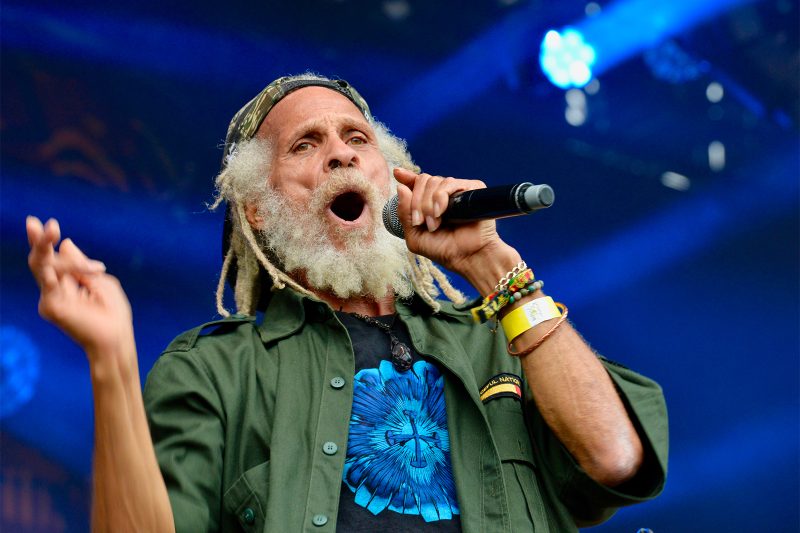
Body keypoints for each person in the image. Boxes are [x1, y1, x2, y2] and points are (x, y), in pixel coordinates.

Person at [27, 73, 667, 532]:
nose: (340, 153)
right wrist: (111, 360)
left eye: (357, 139)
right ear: (258, 209)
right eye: (304, 145)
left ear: (392, 181)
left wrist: (491, 265)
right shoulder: (217, 372)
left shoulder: (498, 343)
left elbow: (616, 457)